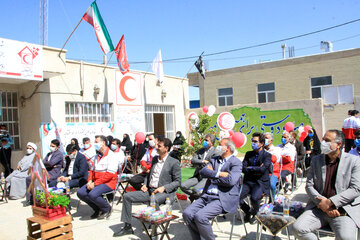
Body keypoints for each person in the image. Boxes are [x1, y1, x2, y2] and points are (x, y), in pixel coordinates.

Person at [292, 130, 360, 240]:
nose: (323, 143)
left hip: (342, 210)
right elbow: (309, 186)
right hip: (318, 208)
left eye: (327, 141)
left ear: (338, 144)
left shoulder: (354, 161)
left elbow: (355, 189)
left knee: (346, 237)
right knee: (297, 228)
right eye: (323, 140)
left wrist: (330, 202)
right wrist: (324, 205)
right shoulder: (316, 160)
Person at [113, 137, 181, 237]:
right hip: (150, 191)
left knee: (154, 201)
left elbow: (177, 182)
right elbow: (149, 175)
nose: (156, 147)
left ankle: (155, 233)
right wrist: (145, 184)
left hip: (164, 193)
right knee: (127, 197)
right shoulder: (155, 159)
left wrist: (164, 187)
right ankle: (127, 227)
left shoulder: (173, 162)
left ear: (166, 148)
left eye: (159, 146)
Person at [182, 138, 242, 240]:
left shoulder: (236, 162)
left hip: (222, 198)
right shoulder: (215, 159)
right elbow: (203, 172)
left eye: (220, 144)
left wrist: (212, 177)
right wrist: (219, 174)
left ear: (227, 148)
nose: (217, 147)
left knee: (200, 217)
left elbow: (231, 181)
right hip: (206, 195)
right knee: (187, 214)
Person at [77, 135, 118, 220]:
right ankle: (97, 208)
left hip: (108, 183)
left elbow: (110, 175)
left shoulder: (111, 155)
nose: (94, 144)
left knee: (93, 194)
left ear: (103, 143)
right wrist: (89, 181)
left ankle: (107, 209)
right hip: (96, 182)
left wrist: (95, 184)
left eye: (96, 142)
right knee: (81, 193)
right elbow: (92, 170)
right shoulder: (97, 155)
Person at [240, 132, 272, 223]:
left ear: (261, 144)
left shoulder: (267, 155)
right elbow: (243, 168)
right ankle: (248, 211)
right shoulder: (248, 154)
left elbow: (263, 170)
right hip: (248, 181)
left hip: (260, 182)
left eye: (255, 141)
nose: (253, 143)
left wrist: (250, 168)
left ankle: (255, 212)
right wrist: (255, 169)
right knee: (236, 197)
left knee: (254, 198)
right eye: (252, 141)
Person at [26, 139, 64, 204]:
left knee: (39, 180)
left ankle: (41, 199)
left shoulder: (59, 154)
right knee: (29, 178)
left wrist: (49, 164)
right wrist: (49, 164)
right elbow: (43, 162)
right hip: (45, 171)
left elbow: (51, 163)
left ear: (57, 147)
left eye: (53, 146)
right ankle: (31, 198)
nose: (51, 147)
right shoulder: (49, 154)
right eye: (50, 145)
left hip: (52, 173)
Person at [180, 133, 216, 202]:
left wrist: (202, 163)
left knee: (195, 189)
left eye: (206, 140)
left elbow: (211, 164)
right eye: (204, 140)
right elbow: (193, 160)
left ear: (211, 143)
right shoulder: (201, 150)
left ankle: (199, 198)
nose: (204, 141)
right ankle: (196, 196)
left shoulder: (215, 152)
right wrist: (203, 161)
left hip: (206, 177)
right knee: (183, 186)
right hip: (197, 176)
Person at [264, 132, 282, 202]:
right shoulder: (261, 149)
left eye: (266, 138)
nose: (264, 140)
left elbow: (274, 159)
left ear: (271, 140)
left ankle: (272, 200)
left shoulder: (276, 149)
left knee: (271, 185)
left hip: (273, 172)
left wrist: (264, 153)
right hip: (261, 171)